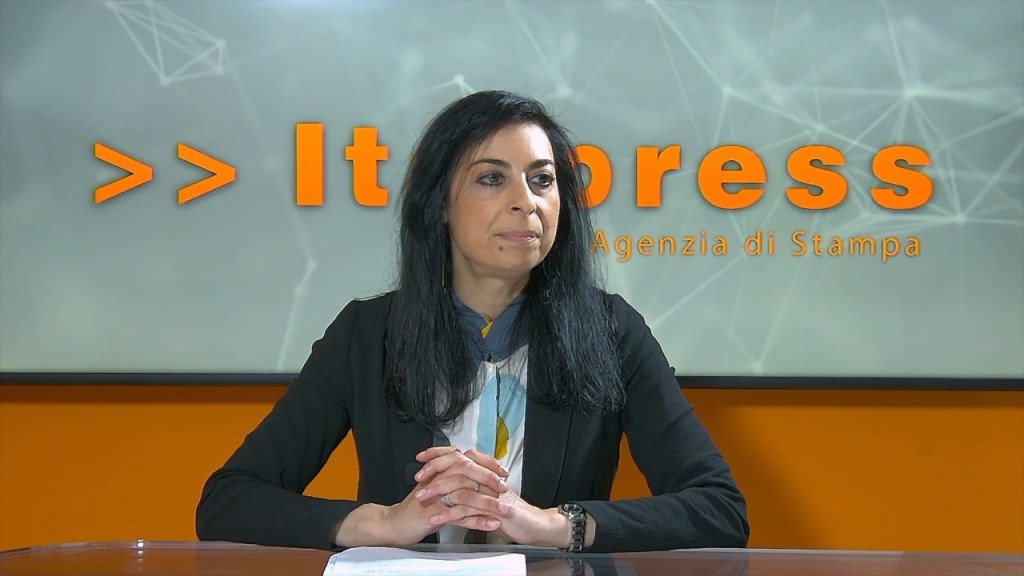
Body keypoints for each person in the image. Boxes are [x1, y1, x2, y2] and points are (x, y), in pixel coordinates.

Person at [196, 90, 749, 553]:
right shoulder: (368, 334)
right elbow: (229, 502)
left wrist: (557, 525)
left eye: (542, 180)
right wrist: (380, 523)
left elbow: (719, 509)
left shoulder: (611, 330)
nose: (526, 203)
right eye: (491, 179)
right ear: (439, 202)